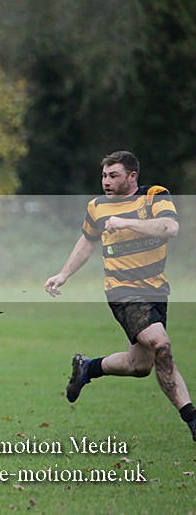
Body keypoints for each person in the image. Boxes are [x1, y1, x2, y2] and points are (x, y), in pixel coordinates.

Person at [44, 150, 196, 441]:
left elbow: (170, 228)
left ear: (132, 176)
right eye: (104, 175)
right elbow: (87, 242)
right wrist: (63, 274)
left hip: (156, 290)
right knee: (161, 344)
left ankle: (88, 368)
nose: (106, 181)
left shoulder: (155, 195)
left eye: (113, 175)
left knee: (139, 365)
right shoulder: (97, 207)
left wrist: (127, 223)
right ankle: (192, 418)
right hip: (122, 291)